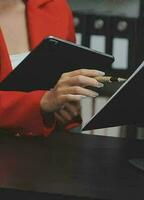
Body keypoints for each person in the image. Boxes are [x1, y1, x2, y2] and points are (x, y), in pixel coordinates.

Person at [0, 0, 104, 136]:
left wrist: (65, 104)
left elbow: (63, 78)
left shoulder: (55, 6)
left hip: (47, 144)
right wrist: (42, 103)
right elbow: (45, 101)